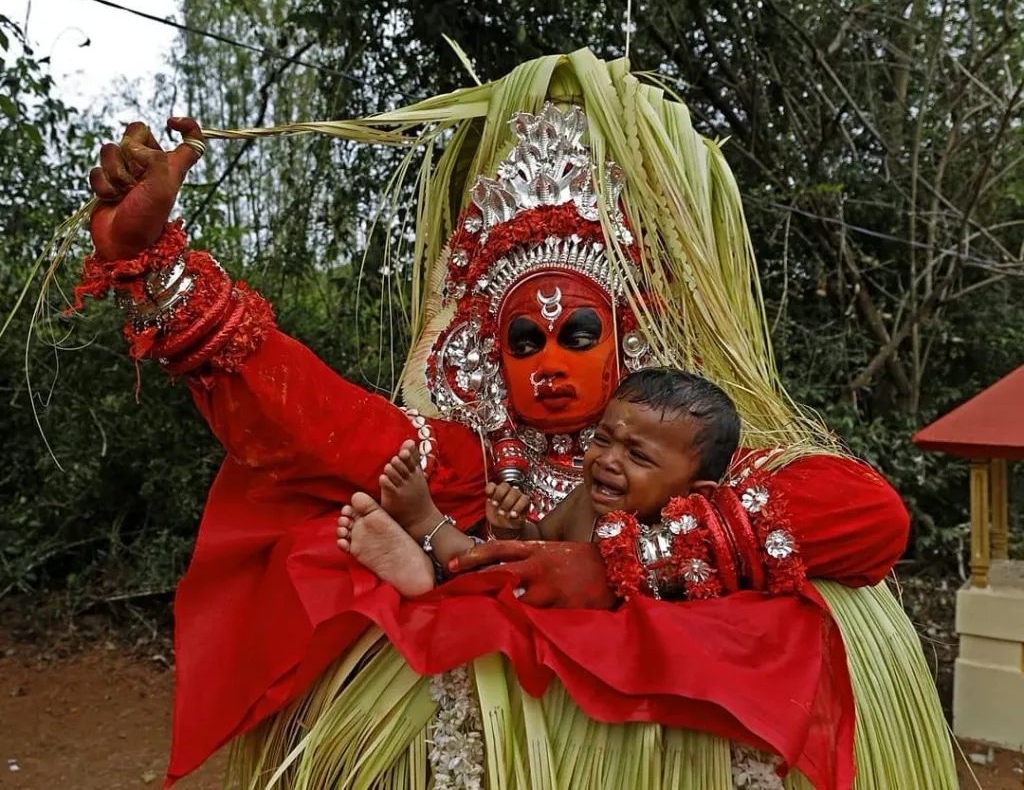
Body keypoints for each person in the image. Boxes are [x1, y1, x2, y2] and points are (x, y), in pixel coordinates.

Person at [75, 50, 955, 790]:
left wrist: (623, 561)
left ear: (626, 340)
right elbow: (315, 421)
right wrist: (158, 268)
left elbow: (872, 514)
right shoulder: (466, 455)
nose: (550, 364)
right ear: (484, 350)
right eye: (523, 340)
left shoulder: (697, 452)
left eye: (578, 335)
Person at [336, 368, 741, 598]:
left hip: (576, 626)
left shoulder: (680, 543)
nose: (608, 461)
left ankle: (424, 527)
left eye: (637, 456)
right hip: (526, 578)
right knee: (498, 556)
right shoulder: (586, 495)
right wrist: (512, 527)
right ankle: (423, 562)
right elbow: (541, 536)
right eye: (601, 440)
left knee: (492, 576)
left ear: (695, 495)